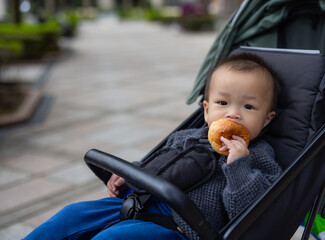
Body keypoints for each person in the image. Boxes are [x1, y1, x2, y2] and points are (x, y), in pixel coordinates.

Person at [24, 52, 282, 240]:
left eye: (248, 107)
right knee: (72, 215)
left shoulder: (260, 156)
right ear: (206, 110)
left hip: (180, 227)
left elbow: (248, 212)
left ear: (267, 118)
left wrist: (239, 165)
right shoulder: (187, 135)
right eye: (222, 103)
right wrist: (128, 174)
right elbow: (158, 164)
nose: (233, 114)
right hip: (137, 201)